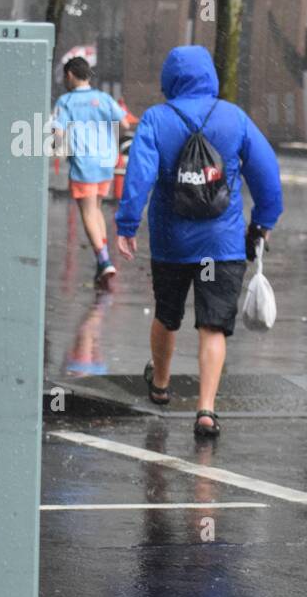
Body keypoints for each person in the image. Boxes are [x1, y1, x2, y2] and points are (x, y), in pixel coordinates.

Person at [115, 45, 283, 438]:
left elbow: (138, 176)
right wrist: (263, 221)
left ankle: (160, 385)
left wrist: (126, 224)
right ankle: (206, 409)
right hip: (222, 244)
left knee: (166, 313)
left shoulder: (157, 119)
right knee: (213, 326)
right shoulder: (234, 117)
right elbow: (267, 173)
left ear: (169, 79)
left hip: (172, 242)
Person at [53, 57, 132, 288]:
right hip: (105, 163)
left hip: (84, 163)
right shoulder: (104, 98)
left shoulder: (66, 101)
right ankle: (102, 261)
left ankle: (104, 260)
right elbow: (125, 124)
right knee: (96, 208)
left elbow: (57, 132)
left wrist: (58, 146)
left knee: (87, 211)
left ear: (69, 76)